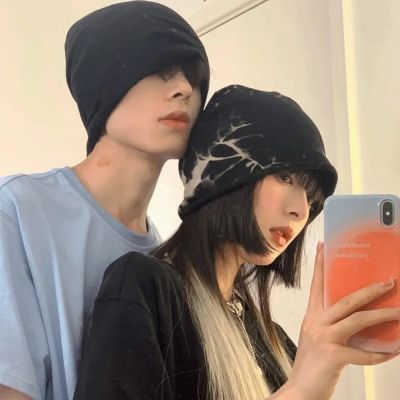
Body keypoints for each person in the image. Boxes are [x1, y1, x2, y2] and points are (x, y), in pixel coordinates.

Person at [73, 84, 399, 400]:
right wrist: (299, 391)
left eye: (311, 198)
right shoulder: (145, 288)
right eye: (285, 177)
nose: (301, 211)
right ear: (226, 175)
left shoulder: (275, 343)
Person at [0, 2, 209, 400]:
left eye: (194, 77)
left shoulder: (161, 258)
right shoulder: (16, 211)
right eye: (159, 70)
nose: (184, 89)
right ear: (103, 79)